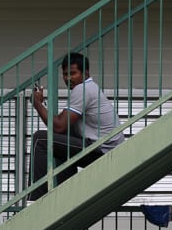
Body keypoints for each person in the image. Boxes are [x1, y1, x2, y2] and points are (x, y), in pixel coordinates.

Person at [28, 52, 124, 201]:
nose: (68, 79)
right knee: (59, 144)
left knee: (40, 139)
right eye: (65, 74)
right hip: (101, 148)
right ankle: (65, 196)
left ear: (85, 73)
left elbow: (58, 127)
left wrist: (38, 104)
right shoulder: (88, 88)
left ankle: (35, 200)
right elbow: (63, 128)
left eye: (73, 73)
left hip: (103, 151)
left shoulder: (83, 89)